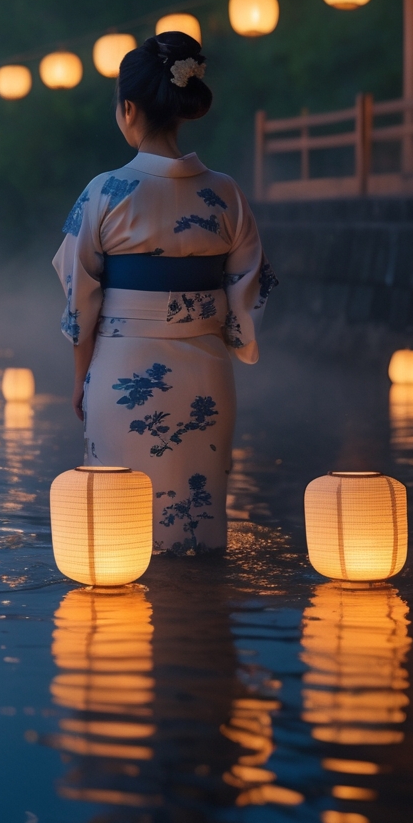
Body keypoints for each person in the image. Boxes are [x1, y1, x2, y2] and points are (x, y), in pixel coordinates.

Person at [51, 31, 274, 555]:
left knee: (118, 525)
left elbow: (78, 293)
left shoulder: (105, 190)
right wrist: (227, 337)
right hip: (206, 371)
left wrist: (81, 378)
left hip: (123, 370)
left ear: (128, 109)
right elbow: (251, 282)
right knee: (195, 525)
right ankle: (199, 629)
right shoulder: (225, 192)